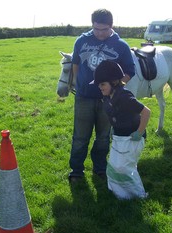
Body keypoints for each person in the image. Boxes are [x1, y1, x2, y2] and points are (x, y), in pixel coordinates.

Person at [68, 9, 135, 182]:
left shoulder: (121, 45)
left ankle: (100, 167)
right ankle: (76, 170)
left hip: (108, 101)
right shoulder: (82, 41)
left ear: (111, 26)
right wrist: (77, 82)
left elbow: (129, 71)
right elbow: (75, 63)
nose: (99, 33)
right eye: (96, 29)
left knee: (104, 137)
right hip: (84, 97)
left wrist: (115, 89)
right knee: (80, 137)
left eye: (103, 29)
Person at [91, 60, 150, 199]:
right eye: (99, 85)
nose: (100, 87)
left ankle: (139, 195)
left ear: (114, 82)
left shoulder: (125, 97)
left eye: (103, 84)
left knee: (124, 168)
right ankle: (119, 194)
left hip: (132, 138)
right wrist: (114, 128)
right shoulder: (107, 97)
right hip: (119, 136)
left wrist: (139, 133)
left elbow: (146, 112)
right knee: (113, 167)